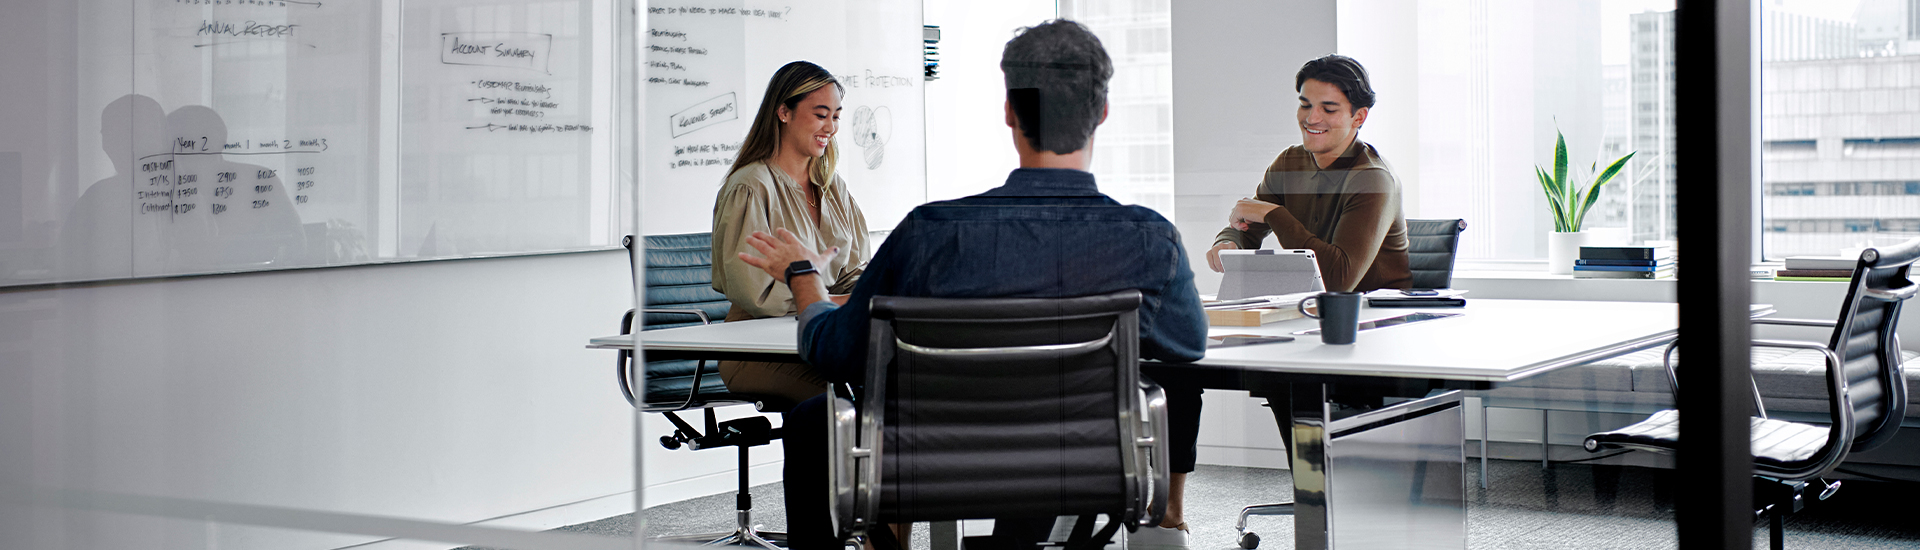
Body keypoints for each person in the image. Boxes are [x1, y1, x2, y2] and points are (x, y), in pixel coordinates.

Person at [732, 20, 1208, 550]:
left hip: (930, 460)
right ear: (1101, 113)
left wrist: (803, 278)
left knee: (814, 421)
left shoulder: (930, 233)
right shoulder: (1148, 237)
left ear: (1009, 111)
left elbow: (837, 354)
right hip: (1079, 460)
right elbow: (1187, 345)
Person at [710, 60, 871, 405]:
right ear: (784, 112)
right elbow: (758, 295)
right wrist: (822, 299)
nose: (831, 126)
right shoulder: (751, 187)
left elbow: (855, 271)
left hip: (819, 336)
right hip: (755, 351)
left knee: (887, 384)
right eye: (821, 114)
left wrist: (865, 295)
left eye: (837, 116)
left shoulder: (832, 187)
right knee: (848, 399)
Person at [1205, 54, 1411, 293]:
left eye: (1329, 109)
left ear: (1359, 117)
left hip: (1376, 318)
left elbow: (1337, 282)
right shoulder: (1288, 163)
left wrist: (1274, 213)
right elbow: (1246, 227)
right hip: (1309, 312)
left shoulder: (1373, 178)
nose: (1311, 118)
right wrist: (1228, 243)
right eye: (1305, 105)